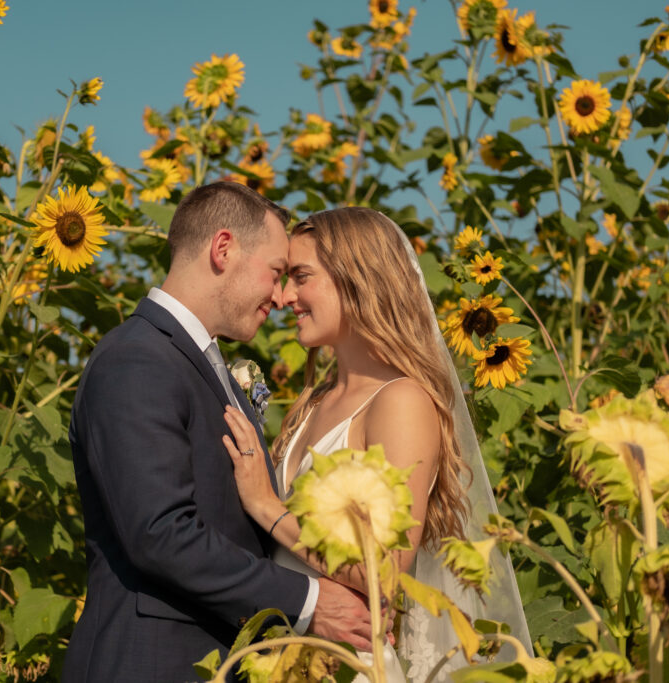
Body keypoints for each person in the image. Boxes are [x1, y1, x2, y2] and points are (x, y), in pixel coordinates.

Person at [63, 183, 373, 682]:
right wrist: (309, 600)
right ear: (223, 249)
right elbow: (159, 532)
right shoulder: (137, 359)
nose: (279, 295)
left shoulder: (200, 365)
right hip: (152, 663)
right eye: (275, 272)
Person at [222, 207, 532, 681]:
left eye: (301, 277)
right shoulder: (312, 403)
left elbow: (386, 571)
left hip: (349, 667)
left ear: (357, 279)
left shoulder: (401, 401)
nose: (284, 297)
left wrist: (267, 507)